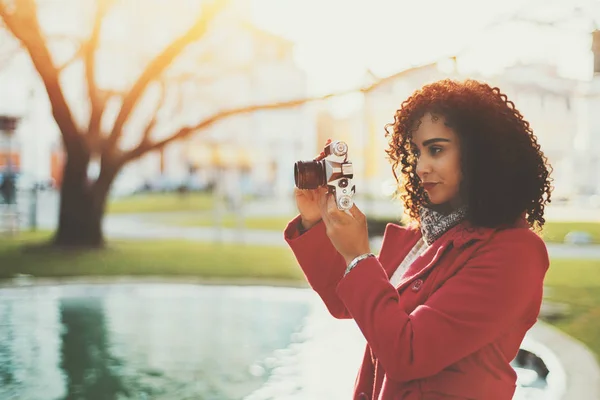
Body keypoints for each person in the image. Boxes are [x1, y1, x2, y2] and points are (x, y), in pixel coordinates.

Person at [284, 79, 552, 400]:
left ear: (481, 154)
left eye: (436, 150)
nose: (421, 167)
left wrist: (360, 257)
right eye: (416, 152)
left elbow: (408, 354)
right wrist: (316, 220)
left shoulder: (515, 253)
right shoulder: (420, 235)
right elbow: (350, 304)